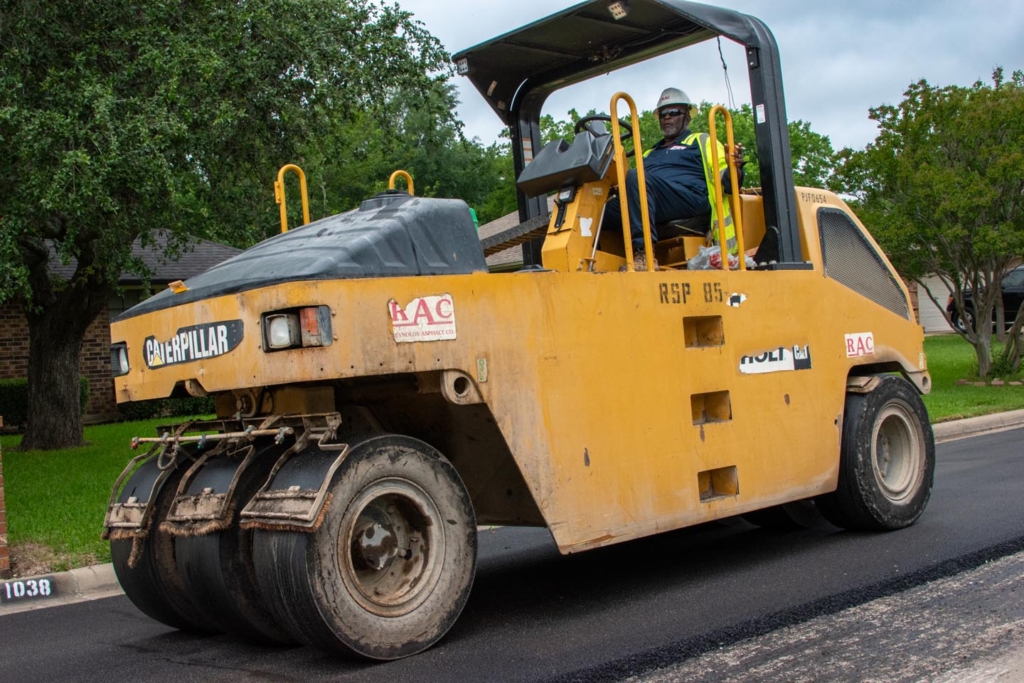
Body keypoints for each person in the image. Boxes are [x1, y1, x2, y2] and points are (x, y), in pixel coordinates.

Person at [605, 87, 744, 270]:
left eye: (673, 113)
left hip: (689, 200)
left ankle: (644, 254)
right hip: (655, 200)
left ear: (686, 116)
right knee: (596, 208)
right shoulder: (649, 153)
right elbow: (634, 189)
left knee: (636, 177)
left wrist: (735, 167)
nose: (667, 117)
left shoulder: (701, 141)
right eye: (663, 114)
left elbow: (727, 184)